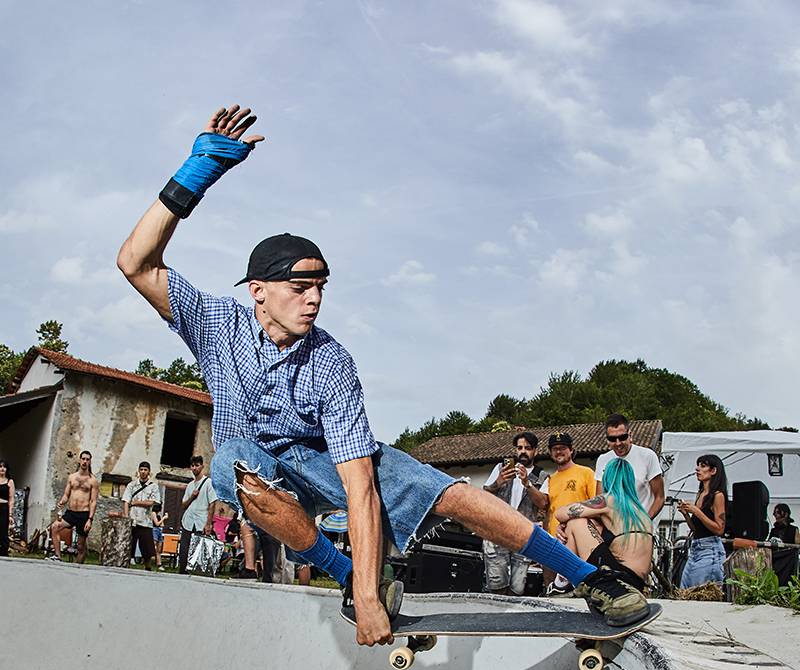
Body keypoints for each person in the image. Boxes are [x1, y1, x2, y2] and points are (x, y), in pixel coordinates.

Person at [117, 103, 649, 637]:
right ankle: (347, 574)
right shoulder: (215, 322)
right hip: (259, 463)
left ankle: (590, 578)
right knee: (236, 463)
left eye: (321, 289)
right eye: (300, 290)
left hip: (328, 461)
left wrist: (374, 599)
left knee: (457, 496)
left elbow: (360, 488)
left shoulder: (331, 363)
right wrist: (197, 173)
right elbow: (135, 262)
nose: (314, 301)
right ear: (258, 291)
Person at [555, 457, 653, 592]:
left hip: (619, 579)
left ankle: (561, 584)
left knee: (575, 522)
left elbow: (560, 513)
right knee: (591, 523)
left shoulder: (609, 500)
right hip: (637, 583)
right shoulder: (639, 510)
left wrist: (564, 523)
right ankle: (564, 583)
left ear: (608, 478)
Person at [482, 431, 547, 595]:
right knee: (496, 584)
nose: (523, 451)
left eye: (528, 448)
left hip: (523, 535)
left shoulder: (542, 475)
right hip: (497, 531)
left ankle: (512, 618)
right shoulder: (501, 468)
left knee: (517, 588)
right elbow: (485, 494)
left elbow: (543, 503)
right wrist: (498, 482)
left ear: (535, 451)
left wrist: (527, 483)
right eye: (519, 447)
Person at [539, 432, 598, 595]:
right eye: (555, 449)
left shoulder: (586, 473)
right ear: (550, 453)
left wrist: (568, 523)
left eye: (563, 448)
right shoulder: (550, 479)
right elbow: (547, 511)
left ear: (571, 450)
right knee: (553, 592)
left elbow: (595, 506)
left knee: (580, 591)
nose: (559, 452)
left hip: (578, 542)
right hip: (553, 543)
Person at [593, 414, 665, 520]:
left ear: (630, 435)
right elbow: (600, 499)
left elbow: (660, 497)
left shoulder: (647, 456)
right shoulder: (603, 460)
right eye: (612, 439)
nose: (618, 443)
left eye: (622, 437)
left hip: (641, 527)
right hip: (613, 527)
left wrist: (646, 521)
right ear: (607, 439)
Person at [678, 455, 728, 587]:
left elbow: (719, 529)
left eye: (703, 466)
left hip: (710, 550)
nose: (697, 469)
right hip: (696, 548)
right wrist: (686, 515)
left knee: (699, 593)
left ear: (713, 471)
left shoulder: (718, 496)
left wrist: (697, 511)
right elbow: (696, 529)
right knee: (685, 589)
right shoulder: (700, 494)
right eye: (698, 465)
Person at [50, 450, 99, 563]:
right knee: (55, 527)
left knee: (80, 546)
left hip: (84, 514)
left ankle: (78, 568)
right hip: (71, 513)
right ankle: (58, 556)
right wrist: (62, 502)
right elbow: (67, 494)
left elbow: (93, 501)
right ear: (79, 460)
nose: (85, 461)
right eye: (83, 459)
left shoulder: (93, 481)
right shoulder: (72, 477)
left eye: (87, 459)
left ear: (90, 462)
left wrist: (90, 519)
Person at [179, 454, 216, 572]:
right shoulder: (190, 485)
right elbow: (183, 505)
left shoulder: (208, 483)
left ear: (202, 466)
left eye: (197, 465)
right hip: (188, 520)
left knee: (198, 550)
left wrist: (208, 523)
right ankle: (182, 569)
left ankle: (196, 572)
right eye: (192, 466)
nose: (194, 468)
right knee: (184, 549)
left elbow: (212, 503)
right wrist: (192, 497)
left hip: (201, 521)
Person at [122, 462, 161, 570]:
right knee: (128, 547)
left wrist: (136, 503)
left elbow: (152, 502)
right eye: (141, 469)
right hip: (133, 520)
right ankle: (125, 567)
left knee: (147, 550)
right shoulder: (132, 485)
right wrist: (126, 518)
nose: (143, 472)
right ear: (138, 471)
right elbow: (126, 501)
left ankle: (147, 567)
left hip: (145, 521)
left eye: (145, 470)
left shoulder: (153, 486)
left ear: (149, 472)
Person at [0, 459, 15, 556]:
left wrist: (10, 514)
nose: (2, 469)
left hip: (4, 508)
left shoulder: (10, 481)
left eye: (4, 467)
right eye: (0, 466)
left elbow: (11, 498)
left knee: (3, 528)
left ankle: (3, 550)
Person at [151, 501, 166, 570]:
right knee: (154, 547)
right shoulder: (153, 514)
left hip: (159, 530)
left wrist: (162, 518)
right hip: (154, 530)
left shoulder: (159, 515)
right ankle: (150, 560)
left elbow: (162, 525)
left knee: (159, 549)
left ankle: (159, 564)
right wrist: (164, 518)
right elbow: (156, 523)